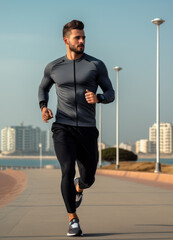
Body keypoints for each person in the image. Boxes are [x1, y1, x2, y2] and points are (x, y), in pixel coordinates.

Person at [38, 19, 115, 237]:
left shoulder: (96, 65)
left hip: (88, 129)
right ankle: (73, 219)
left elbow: (111, 93)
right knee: (67, 169)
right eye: (77, 38)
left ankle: (79, 187)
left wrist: (99, 97)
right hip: (63, 127)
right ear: (66, 40)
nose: (82, 41)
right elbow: (43, 88)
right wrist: (44, 108)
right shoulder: (53, 67)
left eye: (83, 38)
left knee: (89, 177)